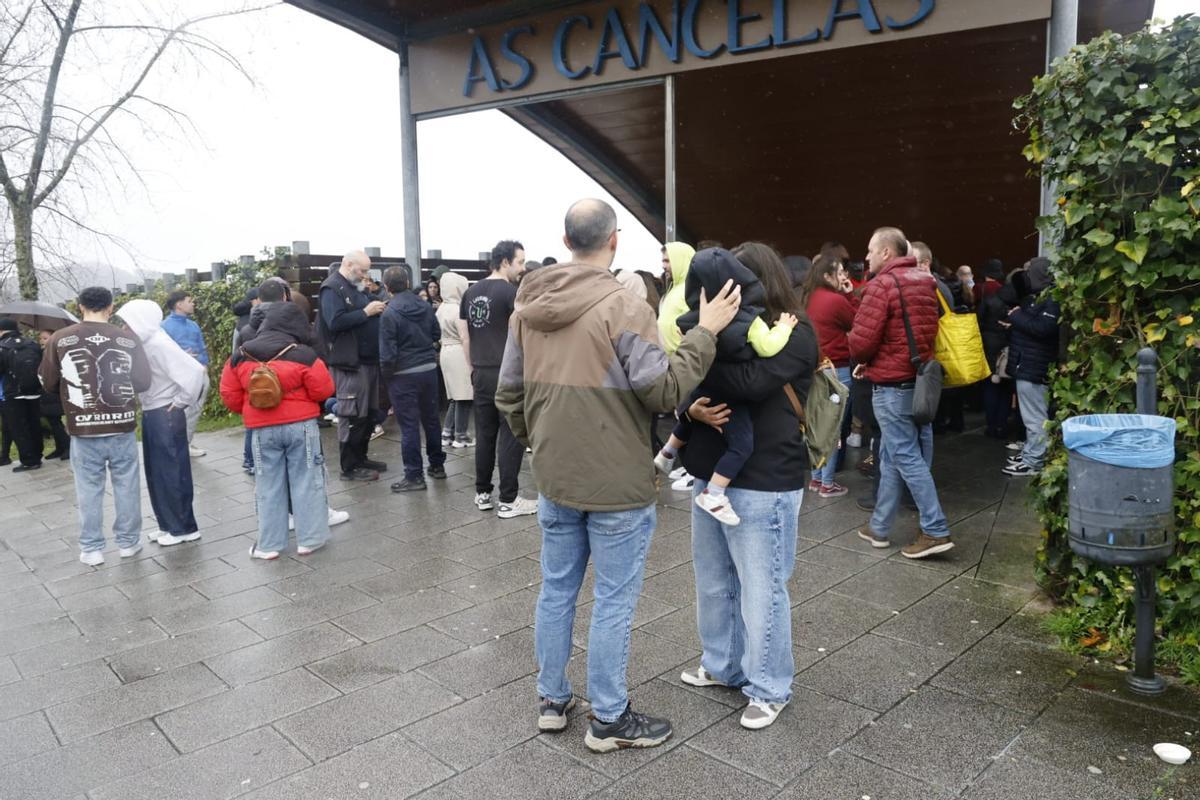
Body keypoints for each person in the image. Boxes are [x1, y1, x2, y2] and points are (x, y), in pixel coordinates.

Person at [496, 197, 740, 751]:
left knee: (556, 590)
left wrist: (539, 442)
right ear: (614, 240)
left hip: (555, 477)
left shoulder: (524, 308)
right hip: (617, 485)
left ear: (564, 242)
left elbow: (508, 394)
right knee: (612, 598)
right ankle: (608, 718)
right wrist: (704, 332)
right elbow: (664, 391)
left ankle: (553, 700)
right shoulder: (624, 307)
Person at [676, 241, 819, 731]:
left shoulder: (793, 333)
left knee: (763, 587)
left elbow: (749, 384)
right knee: (714, 583)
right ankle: (723, 665)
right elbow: (688, 384)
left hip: (766, 482)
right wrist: (690, 406)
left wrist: (699, 350)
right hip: (710, 477)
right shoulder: (715, 334)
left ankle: (770, 686)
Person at [652, 247, 799, 525]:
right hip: (726, 450)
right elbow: (764, 355)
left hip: (755, 470)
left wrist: (697, 386)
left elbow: (687, 363)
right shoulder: (751, 321)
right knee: (741, 444)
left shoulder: (689, 319)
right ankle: (715, 493)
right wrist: (784, 328)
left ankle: (667, 451)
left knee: (695, 407)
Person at [848, 227, 954, 559]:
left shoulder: (881, 286)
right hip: (917, 379)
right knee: (891, 455)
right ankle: (879, 527)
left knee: (905, 456)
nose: (865, 257)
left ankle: (935, 530)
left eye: (869, 250)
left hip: (892, 386)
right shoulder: (925, 281)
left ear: (886, 253)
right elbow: (915, 332)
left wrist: (865, 359)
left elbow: (861, 342)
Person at [39, 287, 152, 565]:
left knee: (88, 489)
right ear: (111, 307)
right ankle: (128, 543)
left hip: (83, 426)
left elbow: (49, 382)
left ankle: (91, 549)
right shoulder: (127, 339)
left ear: (80, 307)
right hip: (121, 425)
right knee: (126, 485)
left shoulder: (59, 339)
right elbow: (143, 382)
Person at [221, 301, 335, 559]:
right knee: (306, 480)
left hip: (261, 430)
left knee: (267, 484)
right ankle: (310, 540)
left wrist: (253, 408)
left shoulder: (240, 355)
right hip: (301, 427)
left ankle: (269, 546)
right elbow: (324, 390)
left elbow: (230, 395)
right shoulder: (304, 354)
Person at [118, 299, 206, 547]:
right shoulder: (146, 344)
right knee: (157, 472)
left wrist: (180, 402)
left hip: (164, 412)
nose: (124, 328)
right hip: (153, 411)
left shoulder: (158, 342)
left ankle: (184, 528)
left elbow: (194, 371)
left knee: (172, 471)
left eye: (127, 323)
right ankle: (168, 524)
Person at [459, 239, 535, 518]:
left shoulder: (471, 292)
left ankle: (482, 493)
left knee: (485, 433)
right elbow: (523, 334)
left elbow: (465, 336)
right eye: (520, 262)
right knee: (511, 433)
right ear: (505, 262)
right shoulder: (510, 293)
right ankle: (508, 498)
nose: (522, 268)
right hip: (507, 373)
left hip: (479, 371)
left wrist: (472, 368)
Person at [319, 251, 388, 481]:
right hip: (349, 362)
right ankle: (349, 466)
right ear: (348, 264)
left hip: (366, 359)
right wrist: (366, 312)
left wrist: (375, 305)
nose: (365, 275)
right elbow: (335, 321)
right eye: (363, 270)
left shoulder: (356, 287)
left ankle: (362, 458)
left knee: (368, 413)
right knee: (351, 414)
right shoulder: (332, 287)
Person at [379, 266, 447, 492]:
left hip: (402, 374)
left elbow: (387, 353)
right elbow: (436, 334)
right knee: (431, 420)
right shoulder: (425, 306)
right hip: (428, 369)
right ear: (408, 283)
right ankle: (437, 466)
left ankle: (414, 475)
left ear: (387, 287)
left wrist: (387, 377)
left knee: (408, 425)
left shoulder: (389, 313)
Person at [801, 252, 858, 497]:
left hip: (812, 367)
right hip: (837, 369)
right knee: (833, 427)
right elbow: (856, 322)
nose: (843, 275)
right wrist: (849, 295)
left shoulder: (806, 297)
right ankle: (827, 483)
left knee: (816, 424)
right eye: (839, 271)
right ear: (827, 275)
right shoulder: (835, 300)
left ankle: (815, 478)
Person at [1001, 257, 1060, 477]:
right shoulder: (1040, 297)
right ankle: (1032, 453)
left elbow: (1043, 328)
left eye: (1029, 272)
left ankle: (1034, 462)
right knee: (1032, 416)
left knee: (1034, 418)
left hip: (1033, 367)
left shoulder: (1052, 299)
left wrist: (1016, 316)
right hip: (1027, 364)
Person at [657, 241, 699, 491]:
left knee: (690, 414)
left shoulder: (689, 290)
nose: (663, 266)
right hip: (674, 362)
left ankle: (695, 469)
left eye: (667, 261)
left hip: (687, 363)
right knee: (683, 414)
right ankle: (688, 465)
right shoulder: (676, 288)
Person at [160, 290, 210, 457]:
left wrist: (204, 365)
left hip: (200, 374)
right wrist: (183, 356)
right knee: (181, 410)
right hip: (180, 377)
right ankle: (177, 445)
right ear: (179, 304)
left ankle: (186, 443)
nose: (193, 303)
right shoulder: (164, 327)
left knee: (195, 409)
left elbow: (202, 348)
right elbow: (163, 353)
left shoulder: (193, 325)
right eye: (189, 300)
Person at [0, 319, 46, 471]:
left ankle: (29, 460)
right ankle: (38, 455)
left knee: (19, 427)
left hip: (13, 393)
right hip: (34, 391)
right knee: (34, 424)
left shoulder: (2, 347)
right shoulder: (32, 344)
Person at [437, 271, 474, 448]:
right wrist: (470, 362)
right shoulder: (459, 309)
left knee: (454, 396)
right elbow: (465, 338)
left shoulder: (441, 308)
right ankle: (461, 435)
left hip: (445, 351)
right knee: (464, 396)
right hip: (459, 352)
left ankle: (447, 433)